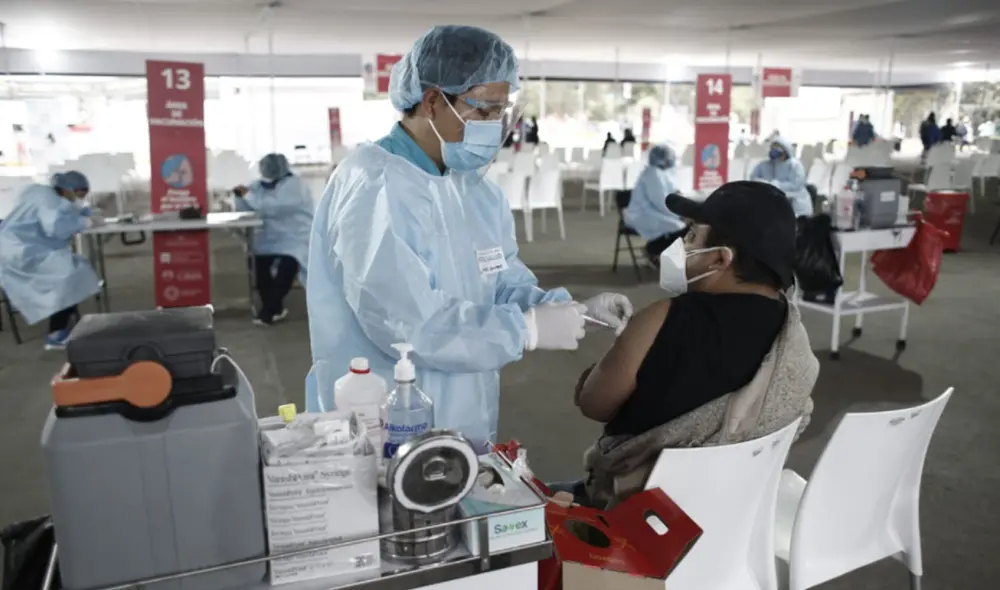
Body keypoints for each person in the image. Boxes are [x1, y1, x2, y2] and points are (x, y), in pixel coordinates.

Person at [304, 25, 633, 448]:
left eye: (501, 112)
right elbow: (411, 324)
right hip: (383, 418)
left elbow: (502, 282)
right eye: (483, 111)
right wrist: (526, 330)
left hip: (464, 414)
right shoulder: (376, 186)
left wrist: (568, 309)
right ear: (433, 101)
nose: (495, 127)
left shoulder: (474, 190)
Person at [554, 182, 817, 509]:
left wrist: (621, 350)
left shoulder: (662, 318)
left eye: (691, 236)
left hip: (640, 514)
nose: (679, 245)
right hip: (733, 508)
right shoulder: (792, 335)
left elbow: (593, 404)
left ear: (720, 259)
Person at [0, 171, 103, 350]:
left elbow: (58, 212)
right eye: (78, 195)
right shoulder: (49, 201)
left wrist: (81, 212)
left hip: (22, 246)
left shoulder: (41, 192)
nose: (78, 199)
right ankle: (56, 333)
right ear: (66, 190)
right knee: (71, 275)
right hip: (22, 253)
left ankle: (64, 321)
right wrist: (83, 222)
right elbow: (55, 227)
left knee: (76, 270)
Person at [233, 153, 314, 326]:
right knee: (257, 262)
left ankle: (268, 312)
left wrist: (247, 195)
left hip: (296, 237)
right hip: (270, 239)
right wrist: (239, 196)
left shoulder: (295, 186)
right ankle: (275, 307)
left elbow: (269, 206)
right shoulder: (261, 185)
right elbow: (247, 203)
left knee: (288, 264)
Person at [622, 145, 686, 265]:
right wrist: (679, 214)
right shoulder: (653, 174)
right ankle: (653, 249)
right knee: (679, 228)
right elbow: (661, 201)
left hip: (653, 212)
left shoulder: (660, 173)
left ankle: (656, 250)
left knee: (681, 226)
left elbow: (668, 194)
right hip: (642, 215)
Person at [749, 136, 812, 217]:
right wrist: (764, 184)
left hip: (796, 207)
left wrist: (775, 185)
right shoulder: (764, 165)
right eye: (772, 148)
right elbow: (753, 180)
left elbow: (796, 185)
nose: (773, 152)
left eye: (777, 149)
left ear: (785, 152)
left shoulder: (795, 166)